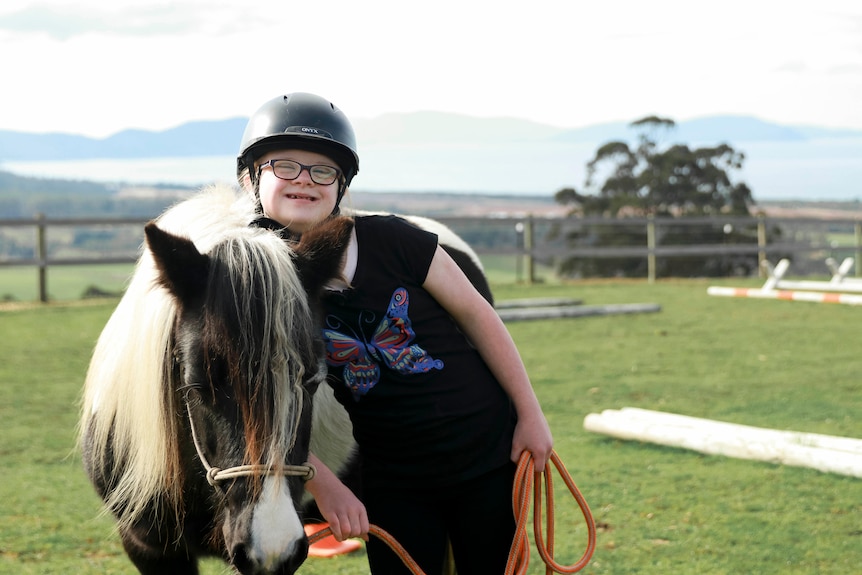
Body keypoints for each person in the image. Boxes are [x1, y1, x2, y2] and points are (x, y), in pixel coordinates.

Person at [237, 92, 553, 575]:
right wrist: (324, 483)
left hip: (488, 458)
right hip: (392, 479)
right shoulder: (259, 289)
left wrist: (531, 415)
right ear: (252, 178)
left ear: (340, 186)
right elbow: (259, 404)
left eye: (323, 170)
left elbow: (479, 316)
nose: (305, 180)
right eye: (285, 166)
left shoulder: (395, 240)